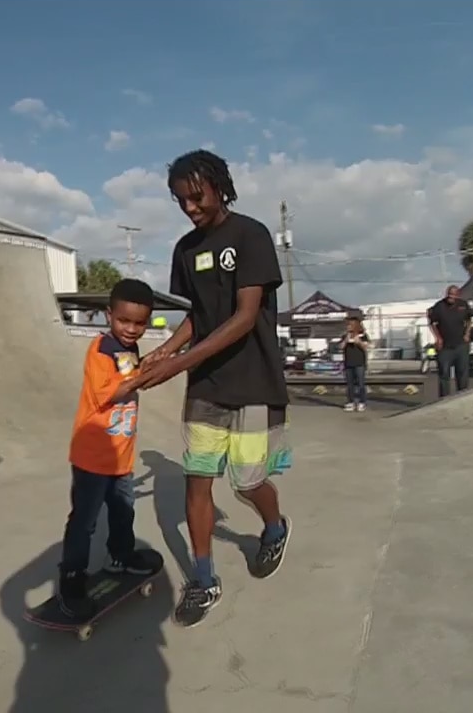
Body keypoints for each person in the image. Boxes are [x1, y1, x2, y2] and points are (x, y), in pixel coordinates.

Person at [136, 149, 293, 629]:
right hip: (206, 387)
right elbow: (198, 317)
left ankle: (275, 527)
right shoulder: (185, 250)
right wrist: (165, 350)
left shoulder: (250, 236)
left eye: (196, 196)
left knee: (246, 482)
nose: (190, 208)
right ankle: (203, 579)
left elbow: (244, 318)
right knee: (198, 480)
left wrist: (178, 363)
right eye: (180, 200)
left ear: (220, 187)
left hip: (253, 383)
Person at [58, 278, 165, 620]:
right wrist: (145, 375)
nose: (131, 329)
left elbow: (132, 375)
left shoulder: (128, 349)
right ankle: (72, 578)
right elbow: (113, 391)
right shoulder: (101, 350)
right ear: (109, 315)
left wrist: (151, 363)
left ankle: (120, 556)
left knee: (123, 512)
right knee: (84, 521)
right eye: (124, 321)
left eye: (139, 323)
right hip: (92, 456)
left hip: (121, 457)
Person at [427, 285, 471, 397]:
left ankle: (462, 397)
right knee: (444, 373)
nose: (451, 297)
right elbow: (432, 323)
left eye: (453, 295)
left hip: (461, 345)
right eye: (449, 294)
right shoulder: (439, 306)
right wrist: (438, 338)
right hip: (445, 347)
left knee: (462, 373)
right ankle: (444, 399)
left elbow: (469, 320)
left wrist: (467, 334)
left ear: (458, 295)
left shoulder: (463, 305)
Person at [341, 315, 370, 412]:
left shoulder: (363, 335)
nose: (348, 327)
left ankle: (362, 402)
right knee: (350, 384)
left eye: (350, 325)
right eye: (348, 325)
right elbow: (341, 347)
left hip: (359, 363)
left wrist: (359, 342)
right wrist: (346, 340)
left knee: (361, 384)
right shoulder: (345, 335)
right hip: (348, 363)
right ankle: (351, 402)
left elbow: (366, 347)